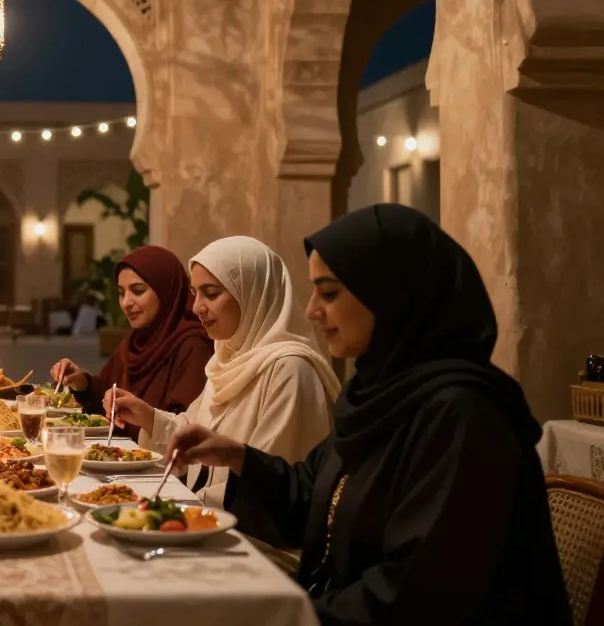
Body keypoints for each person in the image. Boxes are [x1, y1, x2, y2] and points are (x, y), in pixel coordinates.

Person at [167, 204, 571, 625]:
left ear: (390, 293)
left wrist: (289, 618)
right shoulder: (376, 391)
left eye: (329, 293)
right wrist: (236, 455)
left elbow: (418, 593)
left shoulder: (464, 417)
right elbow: (312, 497)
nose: (311, 310)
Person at [105, 236, 340, 507]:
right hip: (207, 512)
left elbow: (268, 479)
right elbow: (198, 432)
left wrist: (181, 507)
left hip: (247, 526)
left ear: (252, 293)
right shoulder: (226, 355)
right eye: (195, 293)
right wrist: (148, 417)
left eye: (212, 294)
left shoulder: (290, 369)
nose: (197, 307)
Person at [50, 245, 213, 433]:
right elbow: (106, 397)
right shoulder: (137, 340)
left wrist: (142, 416)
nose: (126, 303)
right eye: (121, 293)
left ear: (166, 290)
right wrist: (81, 382)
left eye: (138, 291)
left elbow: (183, 427)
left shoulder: (193, 345)